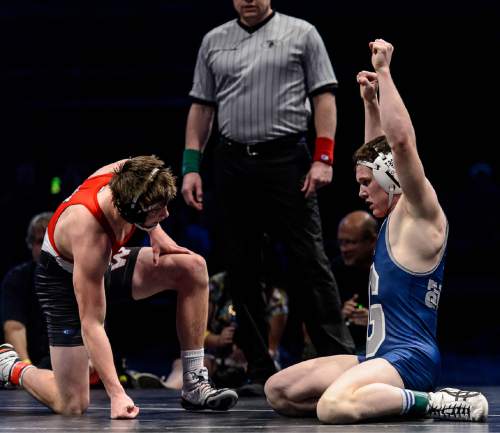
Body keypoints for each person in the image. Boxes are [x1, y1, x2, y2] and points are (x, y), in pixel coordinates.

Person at [264, 39, 488, 423]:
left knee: (333, 407)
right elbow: (378, 153)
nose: (361, 191)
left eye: (367, 183)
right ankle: (379, 398)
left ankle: (440, 402)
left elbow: (400, 144)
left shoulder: (419, 212)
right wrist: (369, 103)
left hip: (411, 359)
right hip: (379, 357)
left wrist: (384, 74)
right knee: (279, 391)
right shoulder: (392, 218)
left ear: (391, 179)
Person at [181, 0, 354, 393]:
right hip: (232, 162)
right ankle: (258, 367)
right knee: (241, 268)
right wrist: (191, 165)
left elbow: (324, 97)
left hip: (287, 160)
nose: (250, 0)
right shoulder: (214, 41)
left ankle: (341, 358)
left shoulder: (302, 33)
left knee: (309, 259)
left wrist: (323, 158)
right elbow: (202, 107)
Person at [0, 155, 238, 418]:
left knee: (192, 268)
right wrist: (117, 393)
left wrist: (154, 229)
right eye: (158, 209)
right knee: (72, 404)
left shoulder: (130, 173)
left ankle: (193, 383)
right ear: (133, 212)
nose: (167, 213)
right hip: (62, 281)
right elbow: (91, 323)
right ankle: (11, 366)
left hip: (107, 260)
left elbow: (147, 172)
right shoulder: (90, 232)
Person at [1, 212, 52, 369]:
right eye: (39, 241)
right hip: (32, 362)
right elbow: (14, 327)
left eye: (49, 241)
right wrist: (25, 368)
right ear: (31, 245)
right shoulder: (17, 278)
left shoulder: (78, 277)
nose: (45, 247)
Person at [331, 211, 377, 352]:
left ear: (372, 241)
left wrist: (374, 319)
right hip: (344, 345)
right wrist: (341, 314)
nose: (344, 249)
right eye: (341, 242)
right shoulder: (335, 268)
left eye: (350, 242)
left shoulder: (388, 270)